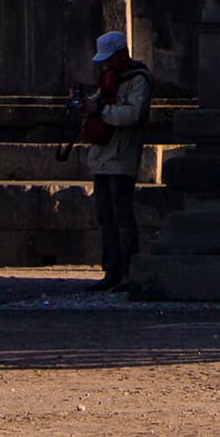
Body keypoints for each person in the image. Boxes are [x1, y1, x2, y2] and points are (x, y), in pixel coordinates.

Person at [80, 29, 151, 290]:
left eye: (110, 59)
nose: (107, 64)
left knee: (122, 215)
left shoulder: (137, 79)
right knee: (105, 215)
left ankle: (129, 271)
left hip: (122, 156)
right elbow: (95, 103)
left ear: (122, 55)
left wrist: (100, 110)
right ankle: (111, 271)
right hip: (102, 157)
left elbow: (133, 114)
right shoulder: (109, 78)